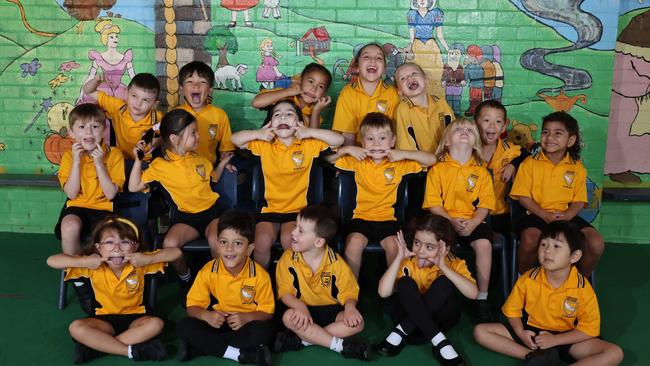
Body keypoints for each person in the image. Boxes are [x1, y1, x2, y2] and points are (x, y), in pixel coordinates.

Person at [473, 221, 624, 366]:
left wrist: (555, 340)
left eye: (557, 246)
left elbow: (589, 329)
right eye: (543, 244)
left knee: (614, 353)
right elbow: (512, 311)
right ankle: (532, 356)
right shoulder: (528, 279)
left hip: (567, 337)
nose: (547, 251)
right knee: (480, 331)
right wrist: (520, 333)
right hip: (531, 333)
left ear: (575, 256)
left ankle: (543, 357)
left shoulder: (583, 288)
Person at [129, 109, 232, 303]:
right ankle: (186, 278)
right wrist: (138, 160)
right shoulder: (159, 166)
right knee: (169, 245)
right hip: (186, 218)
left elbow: (213, 179)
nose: (198, 136)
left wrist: (223, 163)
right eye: (193, 132)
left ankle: (218, 285)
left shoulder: (200, 159)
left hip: (213, 214)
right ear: (175, 139)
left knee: (216, 242)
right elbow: (134, 186)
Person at [47, 216, 181, 363]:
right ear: (98, 248)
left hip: (137, 318)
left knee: (156, 324)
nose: (117, 248)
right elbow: (52, 261)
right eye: (109, 242)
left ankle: (97, 348)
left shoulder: (141, 263)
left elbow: (176, 252)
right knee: (76, 328)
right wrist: (84, 261)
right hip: (102, 320)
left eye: (124, 242)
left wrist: (148, 259)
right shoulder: (92, 266)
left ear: (135, 247)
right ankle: (129, 351)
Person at [231, 100, 344, 268]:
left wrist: (308, 131)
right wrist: (258, 134)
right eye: (277, 114)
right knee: (261, 242)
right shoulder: (263, 145)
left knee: (288, 241)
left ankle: (292, 285)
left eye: (290, 113)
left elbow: (338, 140)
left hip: (298, 212)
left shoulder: (310, 144)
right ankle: (262, 285)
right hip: (269, 209)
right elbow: (235, 139)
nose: (283, 116)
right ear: (269, 123)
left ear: (299, 122)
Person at [326, 112, 436, 278]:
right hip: (360, 219)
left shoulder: (400, 164)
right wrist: (347, 149)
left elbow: (432, 160)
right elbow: (327, 159)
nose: (376, 143)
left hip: (389, 221)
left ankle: (394, 292)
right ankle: (350, 292)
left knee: (395, 247)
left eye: (382, 138)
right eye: (370, 139)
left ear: (392, 141)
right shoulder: (356, 162)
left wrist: (404, 153)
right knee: (353, 244)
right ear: (362, 142)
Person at [510, 112, 604, 277]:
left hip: (564, 216)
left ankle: (576, 282)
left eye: (557, 133)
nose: (549, 137)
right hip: (536, 214)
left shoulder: (577, 168)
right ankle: (524, 282)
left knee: (595, 243)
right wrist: (545, 215)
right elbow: (523, 197)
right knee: (530, 240)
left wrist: (567, 216)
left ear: (571, 140)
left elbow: (579, 201)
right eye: (545, 132)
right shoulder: (529, 164)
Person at [376, 214, 477, 365]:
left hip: (439, 319)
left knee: (444, 282)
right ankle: (440, 342)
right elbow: (383, 292)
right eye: (417, 243)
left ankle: (402, 330)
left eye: (429, 247)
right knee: (404, 283)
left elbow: (473, 294)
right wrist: (398, 258)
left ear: (445, 248)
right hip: (412, 318)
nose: (421, 251)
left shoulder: (453, 263)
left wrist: (443, 266)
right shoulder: (407, 261)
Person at [177, 210, 275, 366]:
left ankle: (202, 348)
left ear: (249, 249)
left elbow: (267, 312)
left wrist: (246, 317)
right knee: (184, 326)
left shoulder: (260, 275)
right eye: (224, 242)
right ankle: (238, 354)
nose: (229, 249)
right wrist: (207, 315)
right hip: (217, 322)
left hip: (244, 324)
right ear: (217, 245)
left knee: (264, 332)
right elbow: (192, 307)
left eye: (237, 243)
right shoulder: (208, 270)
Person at [422, 118, 496, 323]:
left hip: (473, 220)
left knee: (484, 244)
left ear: (475, 142)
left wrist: (473, 223)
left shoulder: (481, 171)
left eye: (470, 130)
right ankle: (439, 295)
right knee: (439, 247)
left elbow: (485, 205)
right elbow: (433, 204)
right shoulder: (437, 169)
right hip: (444, 220)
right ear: (446, 141)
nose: (464, 131)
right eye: (458, 129)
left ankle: (482, 298)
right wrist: (452, 221)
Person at [273, 206, 369, 361]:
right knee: (287, 317)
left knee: (358, 324)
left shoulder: (336, 263)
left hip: (331, 310)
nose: (293, 232)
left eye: (300, 231)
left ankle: (303, 341)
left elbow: (349, 291)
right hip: (301, 310)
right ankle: (340, 346)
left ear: (318, 242)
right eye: (295, 226)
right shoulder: (287, 258)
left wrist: (350, 308)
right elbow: (285, 292)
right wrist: (300, 306)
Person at [55, 103, 125, 261]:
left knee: (109, 237)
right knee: (69, 226)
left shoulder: (114, 155)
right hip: (77, 206)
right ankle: (78, 276)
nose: (88, 132)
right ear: (72, 133)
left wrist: (100, 164)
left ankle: (100, 276)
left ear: (104, 130)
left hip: (105, 208)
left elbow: (111, 194)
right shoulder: (68, 157)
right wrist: (76, 162)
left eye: (95, 126)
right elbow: (72, 194)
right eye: (81, 127)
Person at [473, 100, 528, 235]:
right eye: (486, 120)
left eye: (498, 122)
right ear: (475, 123)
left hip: (501, 214)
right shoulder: (466, 151)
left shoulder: (509, 151)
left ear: (504, 126)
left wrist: (513, 165)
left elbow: (527, 155)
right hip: (470, 214)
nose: (492, 126)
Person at [332, 43, 400, 146]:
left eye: (379, 58)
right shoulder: (348, 93)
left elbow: (394, 133)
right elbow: (347, 135)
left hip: (384, 154)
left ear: (384, 69)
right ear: (357, 67)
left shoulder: (392, 94)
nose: (373, 60)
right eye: (366, 57)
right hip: (357, 155)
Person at [83, 73, 161, 161]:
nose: (138, 103)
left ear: (154, 104)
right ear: (127, 92)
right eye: (134, 96)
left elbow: (170, 137)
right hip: (122, 160)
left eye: (146, 100)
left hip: (146, 162)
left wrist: (158, 141)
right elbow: (88, 91)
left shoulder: (158, 118)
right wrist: (96, 80)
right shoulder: (118, 107)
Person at [174, 61, 235, 170]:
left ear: (210, 90)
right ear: (182, 89)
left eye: (202, 82)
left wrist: (226, 162)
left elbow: (226, 148)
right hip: (180, 171)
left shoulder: (220, 115)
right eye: (189, 81)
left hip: (208, 171)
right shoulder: (175, 114)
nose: (196, 86)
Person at [252, 63, 332, 128]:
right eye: (311, 82)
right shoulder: (284, 95)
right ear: (300, 81)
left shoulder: (314, 113)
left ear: (324, 94)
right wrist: (288, 91)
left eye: (321, 86)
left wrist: (316, 111)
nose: (313, 89)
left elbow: (313, 141)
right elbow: (256, 102)